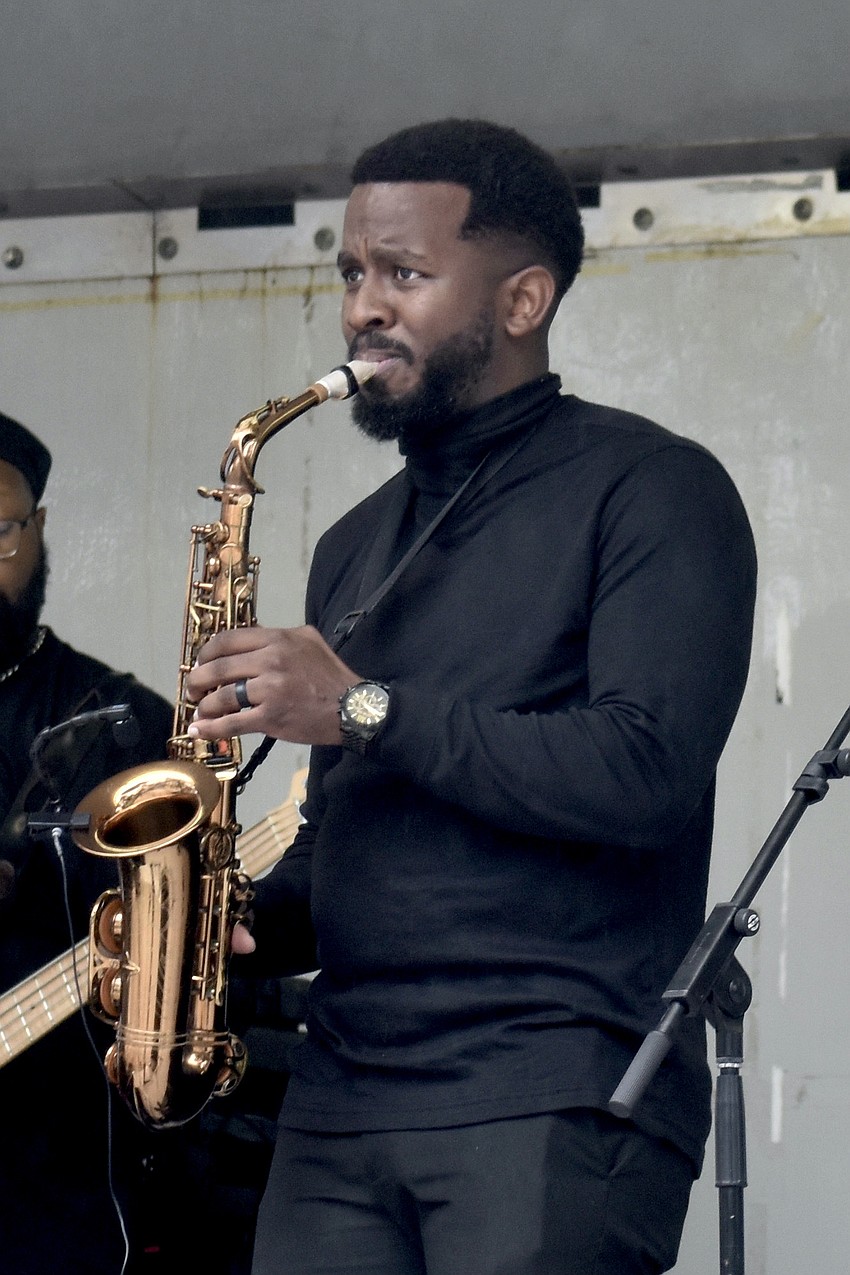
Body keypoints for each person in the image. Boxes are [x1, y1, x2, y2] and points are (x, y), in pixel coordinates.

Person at [186, 118, 758, 1275]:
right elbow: (367, 830)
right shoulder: (354, 545)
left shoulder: (654, 489)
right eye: (351, 273)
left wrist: (357, 708)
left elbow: (641, 771)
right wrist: (216, 925)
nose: (361, 309)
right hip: (340, 1096)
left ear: (522, 298)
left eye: (403, 273)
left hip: (551, 1087)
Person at [0, 412, 212, 1273]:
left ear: (39, 529)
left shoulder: (116, 724)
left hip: (61, 1176)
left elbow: (178, 956)